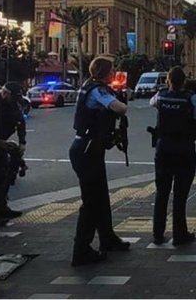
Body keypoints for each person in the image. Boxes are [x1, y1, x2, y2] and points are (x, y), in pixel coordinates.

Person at [68, 56, 130, 267]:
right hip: (87, 150)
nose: (114, 74)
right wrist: (121, 100)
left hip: (89, 149)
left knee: (101, 197)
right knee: (91, 202)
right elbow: (119, 108)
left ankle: (107, 238)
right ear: (105, 72)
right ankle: (81, 250)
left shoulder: (89, 86)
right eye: (112, 70)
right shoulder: (98, 90)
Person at [149, 66, 196, 246]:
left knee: (162, 193)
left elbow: (152, 103)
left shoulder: (160, 96)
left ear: (168, 80)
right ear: (184, 81)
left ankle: (158, 234)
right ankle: (180, 234)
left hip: (163, 148)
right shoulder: (192, 99)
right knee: (180, 195)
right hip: (184, 150)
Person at [0, 81, 27, 224]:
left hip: (3, 142)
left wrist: (22, 142)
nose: (14, 100)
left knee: (7, 176)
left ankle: (3, 207)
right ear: (5, 93)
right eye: (12, 97)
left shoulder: (13, 104)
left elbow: (20, 121)